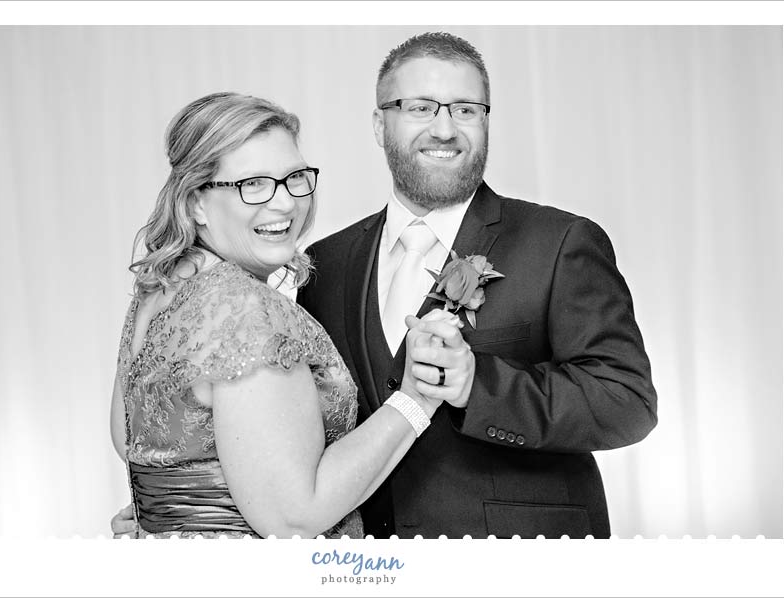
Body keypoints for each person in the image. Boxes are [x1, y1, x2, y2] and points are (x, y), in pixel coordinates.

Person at [296, 32, 658, 539]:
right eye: (419, 107)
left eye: (466, 110)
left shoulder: (560, 242)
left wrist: (477, 386)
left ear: (486, 121)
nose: (444, 129)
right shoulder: (324, 264)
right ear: (380, 124)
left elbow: (628, 403)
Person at [108, 91, 461, 538]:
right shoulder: (243, 308)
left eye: (295, 178)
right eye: (251, 184)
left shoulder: (159, 291)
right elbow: (294, 517)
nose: (284, 203)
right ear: (195, 201)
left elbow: (132, 443)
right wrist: (416, 399)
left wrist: (182, 518)